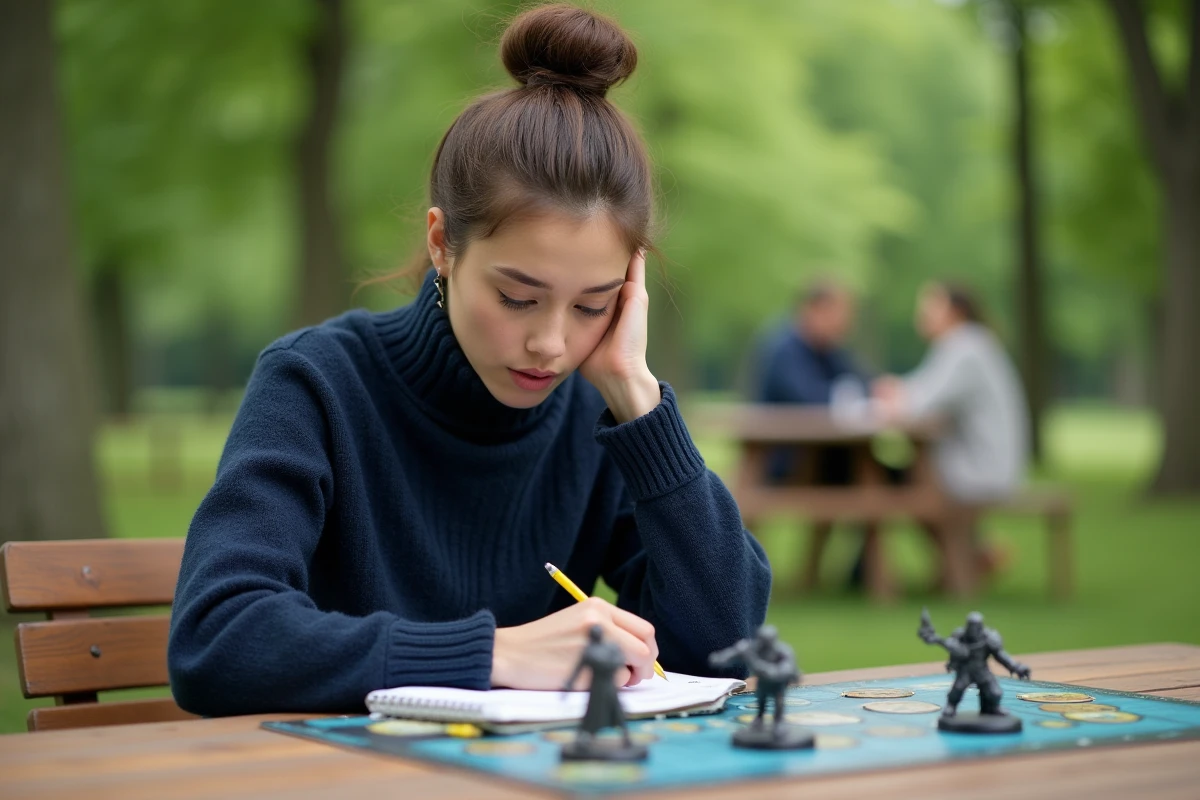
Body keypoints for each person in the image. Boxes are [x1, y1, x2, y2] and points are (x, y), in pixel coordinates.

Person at [167, 4, 771, 717]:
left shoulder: (594, 413)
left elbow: (727, 646)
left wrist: (639, 401)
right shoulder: (317, 384)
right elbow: (217, 640)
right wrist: (496, 654)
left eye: (591, 304)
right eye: (518, 297)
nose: (551, 344)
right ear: (441, 245)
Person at [874, 282, 1029, 575]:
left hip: (980, 468)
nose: (921, 315)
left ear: (954, 311)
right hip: (984, 462)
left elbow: (918, 403)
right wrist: (899, 390)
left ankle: (963, 565)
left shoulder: (964, 347)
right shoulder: (969, 343)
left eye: (931, 306)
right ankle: (973, 557)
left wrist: (893, 394)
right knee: (902, 478)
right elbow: (923, 389)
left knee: (899, 480)